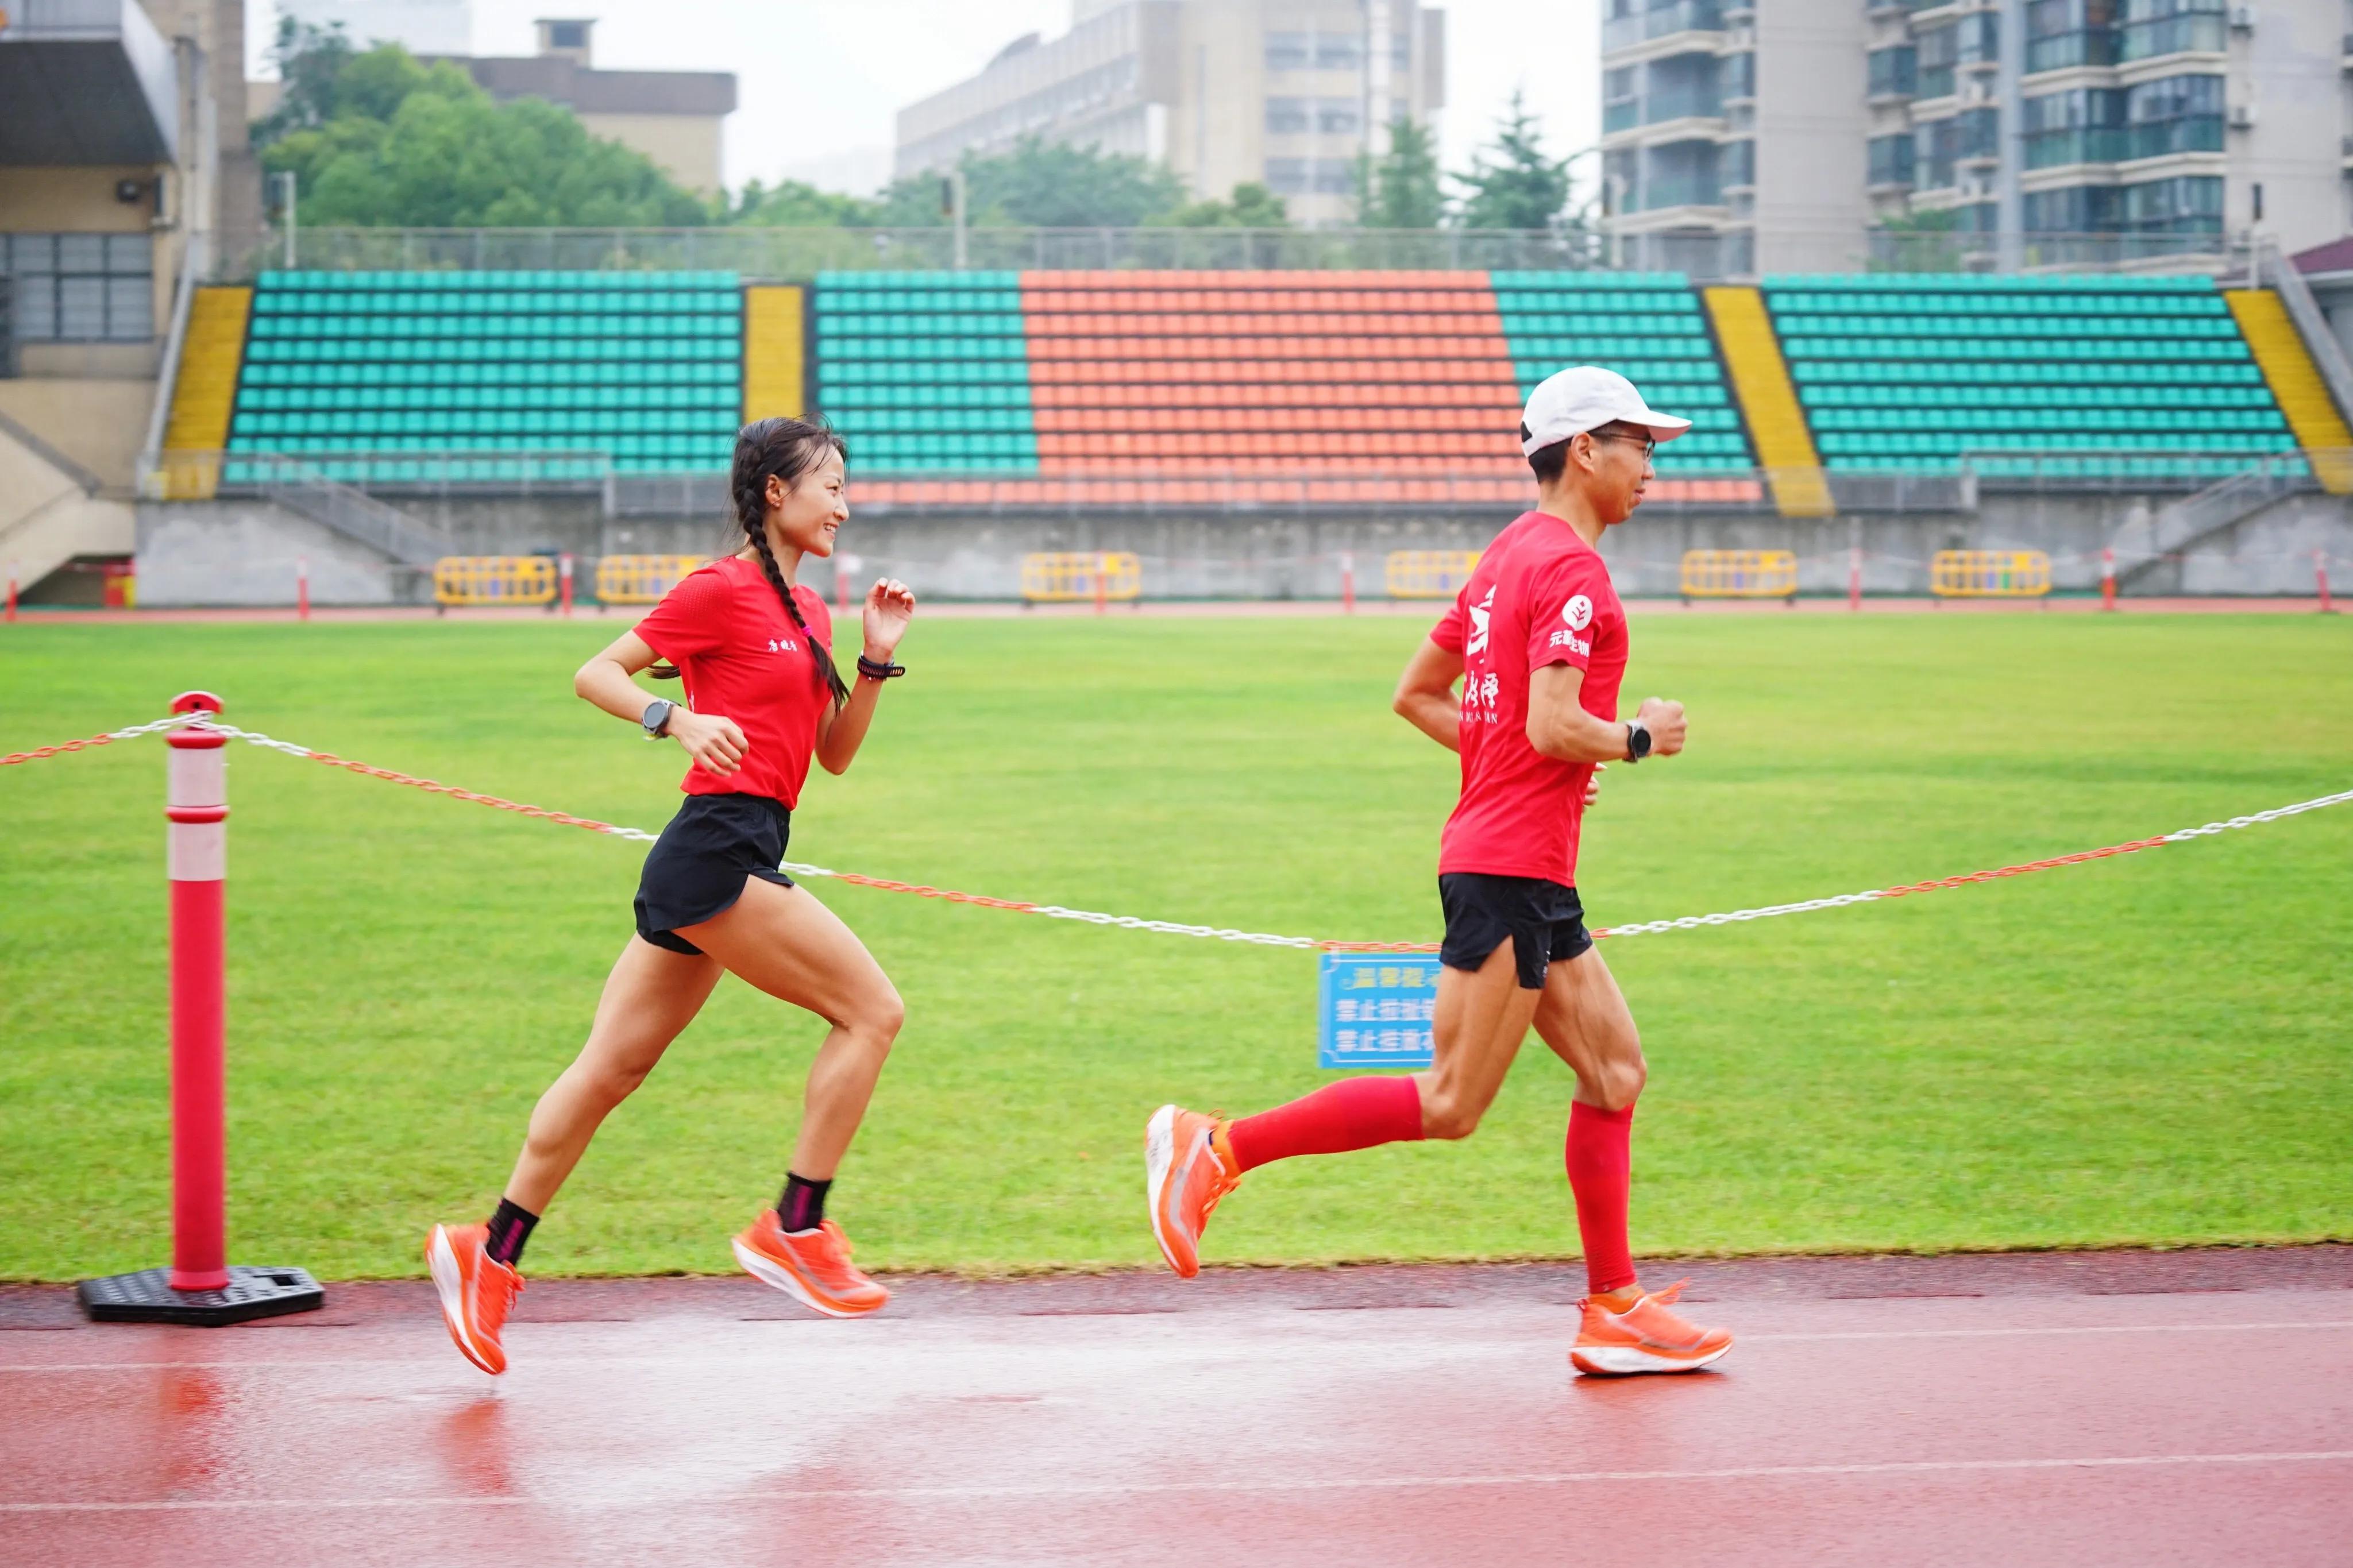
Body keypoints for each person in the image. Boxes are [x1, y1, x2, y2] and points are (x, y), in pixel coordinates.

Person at [1144, 366, 1733, 1376]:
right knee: (1453, 1101)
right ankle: (1216, 1146)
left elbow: (1419, 694)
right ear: (1584, 449)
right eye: (1639, 444)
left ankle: (1614, 1306)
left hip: (1529, 866)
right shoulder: (1575, 574)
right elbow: (1552, 722)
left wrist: (1524, 756)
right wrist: (1635, 737)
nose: (1652, 466)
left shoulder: (1508, 554)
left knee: (1616, 1072)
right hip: (1506, 868)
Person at [427, 416, 917, 1376]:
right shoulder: (717, 589)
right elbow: (596, 672)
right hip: (715, 852)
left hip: (734, 851)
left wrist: (874, 659)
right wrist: (675, 716)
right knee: (872, 1012)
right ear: (777, 492)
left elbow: (834, 755)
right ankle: (796, 1225)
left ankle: (486, 1253)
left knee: (609, 1071)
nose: (845, 504)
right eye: (831, 485)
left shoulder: (812, 609)